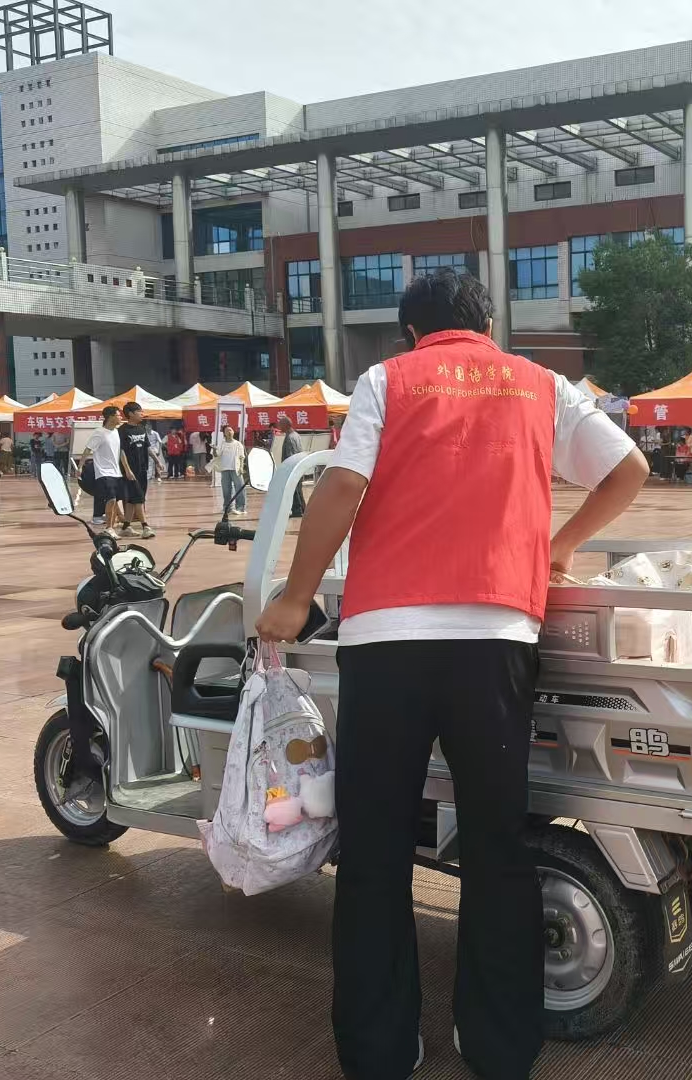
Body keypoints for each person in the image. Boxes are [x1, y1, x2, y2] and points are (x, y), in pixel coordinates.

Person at [254, 269, 648, 1080]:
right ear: (488, 326)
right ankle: (499, 1047)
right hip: (496, 639)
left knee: (375, 849)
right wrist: (559, 546)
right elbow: (628, 468)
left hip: (386, 642)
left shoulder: (387, 380)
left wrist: (295, 597)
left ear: (411, 332)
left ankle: (379, 1050)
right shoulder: (541, 385)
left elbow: (343, 484)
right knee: (498, 846)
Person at [82, 405, 127, 536]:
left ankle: (113, 525)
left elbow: (120, 452)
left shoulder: (117, 432)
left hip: (116, 472)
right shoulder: (99, 432)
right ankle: (109, 527)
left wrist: (127, 470)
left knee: (115, 500)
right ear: (111, 417)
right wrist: (80, 467)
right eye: (118, 415)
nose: (120, 417)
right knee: (111, 500)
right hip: (103, 472)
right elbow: (88, 449)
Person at [117, 402, 156, 539]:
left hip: (142, 469)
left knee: (133, 499)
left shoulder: (141, 428)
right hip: (130, 471)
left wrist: (157, 461)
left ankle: (126, 527)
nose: (142, 414)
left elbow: (147, 447)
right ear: (130, 414)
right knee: (138, 498)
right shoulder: (122, 430)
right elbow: (121, 451)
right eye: (139, 411)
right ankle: (146, 527)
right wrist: (127, 470)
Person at [275, 416, 307, 517]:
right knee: (298, 490)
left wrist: (287, 469)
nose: (279, 427)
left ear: (286, 425)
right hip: (299, 466)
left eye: (280, 425)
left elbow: (290, 456)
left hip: (293, 468)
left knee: (294, 490)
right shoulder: (296, 435)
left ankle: (297, 511)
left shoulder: (290, 438)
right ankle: (303, 509)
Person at [216, 423, 247, 515]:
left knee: (239, 488)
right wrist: (213, 450)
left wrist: (241, 467)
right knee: (226, 489)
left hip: (235, 469)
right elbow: (217, 455)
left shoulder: (238, 444)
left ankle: (240, 508)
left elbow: (242, 457)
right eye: (227, 431)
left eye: (231, 430)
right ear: (224, 433)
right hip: (225, 469)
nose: (229, 432)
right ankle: (227, 507)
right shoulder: (222, 444)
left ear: (233, 432)